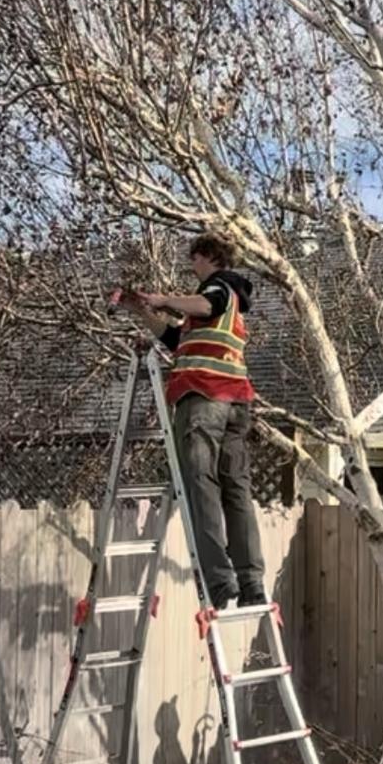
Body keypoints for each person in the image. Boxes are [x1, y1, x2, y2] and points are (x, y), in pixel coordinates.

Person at [116, 233, 264, 610]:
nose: (191, 266)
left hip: (203, 397)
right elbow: (174, 338)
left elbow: (206, 302)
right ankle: (252, 584)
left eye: (194, 259)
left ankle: (219, 581)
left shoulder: (220, 287)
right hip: (235, 403)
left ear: (208, 257)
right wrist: (142, 311)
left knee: (201, 487)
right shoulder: (227, 311)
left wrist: (163, 298)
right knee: (236, 489)